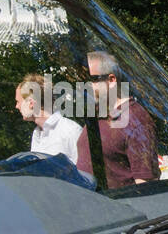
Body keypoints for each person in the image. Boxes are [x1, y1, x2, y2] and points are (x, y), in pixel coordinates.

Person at [83, 50, 158, 189]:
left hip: (117, 208)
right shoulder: (99, 113)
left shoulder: (136, 120)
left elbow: (147, 187)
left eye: (91, 80)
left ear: (111, 80)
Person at [16, 74, 83, 164]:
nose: (17, 106)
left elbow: (85, 174)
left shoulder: (71, 131)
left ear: (31, 103)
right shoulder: (37, 134)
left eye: (18, 102)